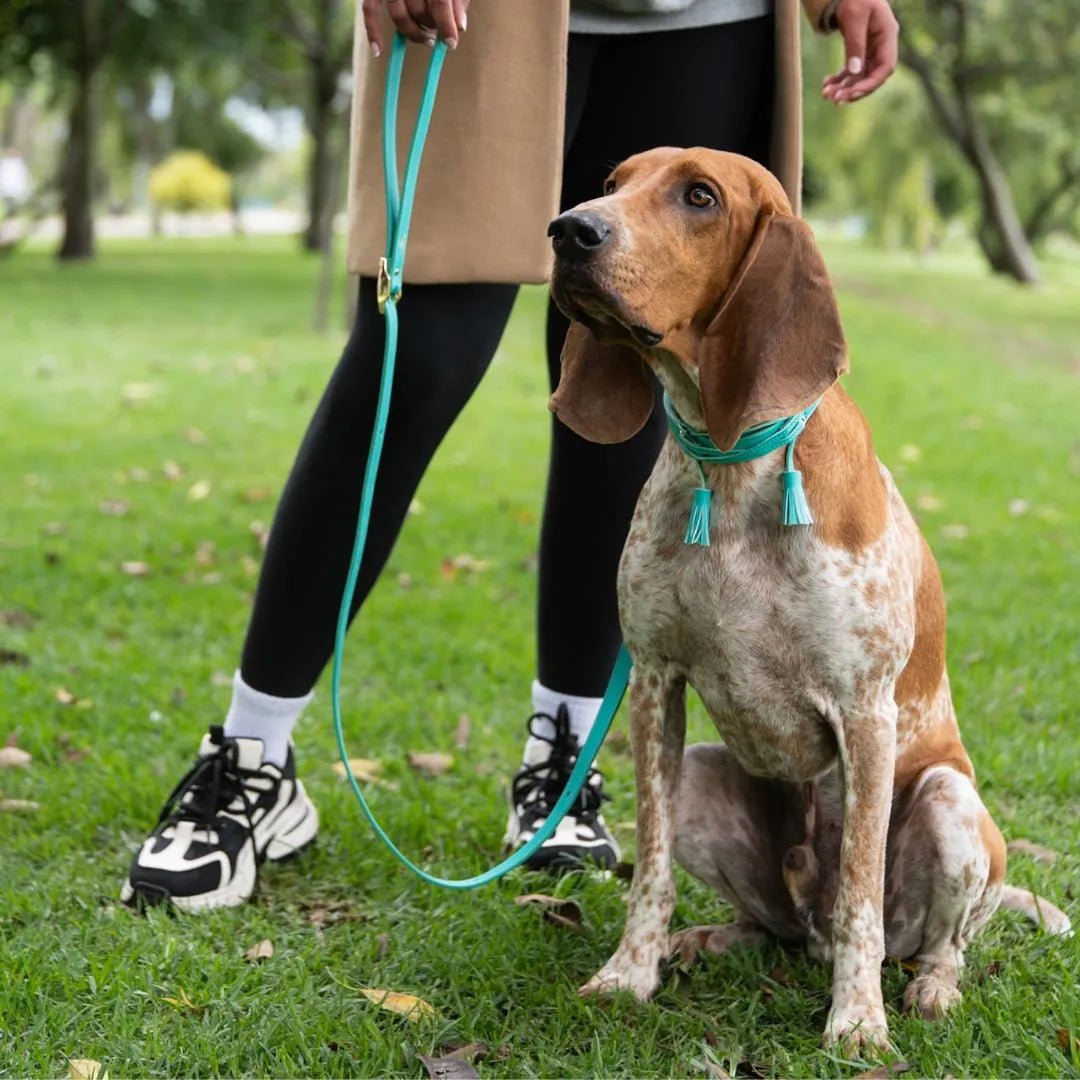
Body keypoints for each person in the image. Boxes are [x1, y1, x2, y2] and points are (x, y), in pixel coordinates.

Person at [122, 0, 899, 911]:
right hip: (487, 17)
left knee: (635, 362)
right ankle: (252, 761)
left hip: (706, 18)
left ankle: (562, 770)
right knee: (413, 360)